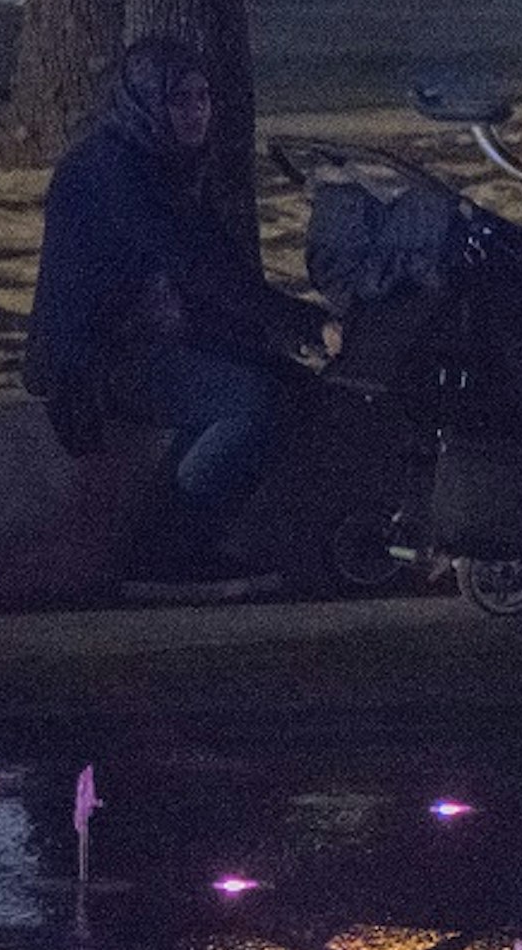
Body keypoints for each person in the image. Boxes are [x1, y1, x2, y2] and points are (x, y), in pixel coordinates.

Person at [23, 40, 327, 588]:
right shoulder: (114, 170)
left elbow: (216, 260)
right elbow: (193, 266)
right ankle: (166, 556)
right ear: (145, 103)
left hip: (149, 339)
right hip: (94, 361)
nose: (197, 112)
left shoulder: (163, 161)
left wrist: (286, 326)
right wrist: (305, 323)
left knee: (292, 387)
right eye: (180, 100)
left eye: (203, 97)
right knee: (251, 402)